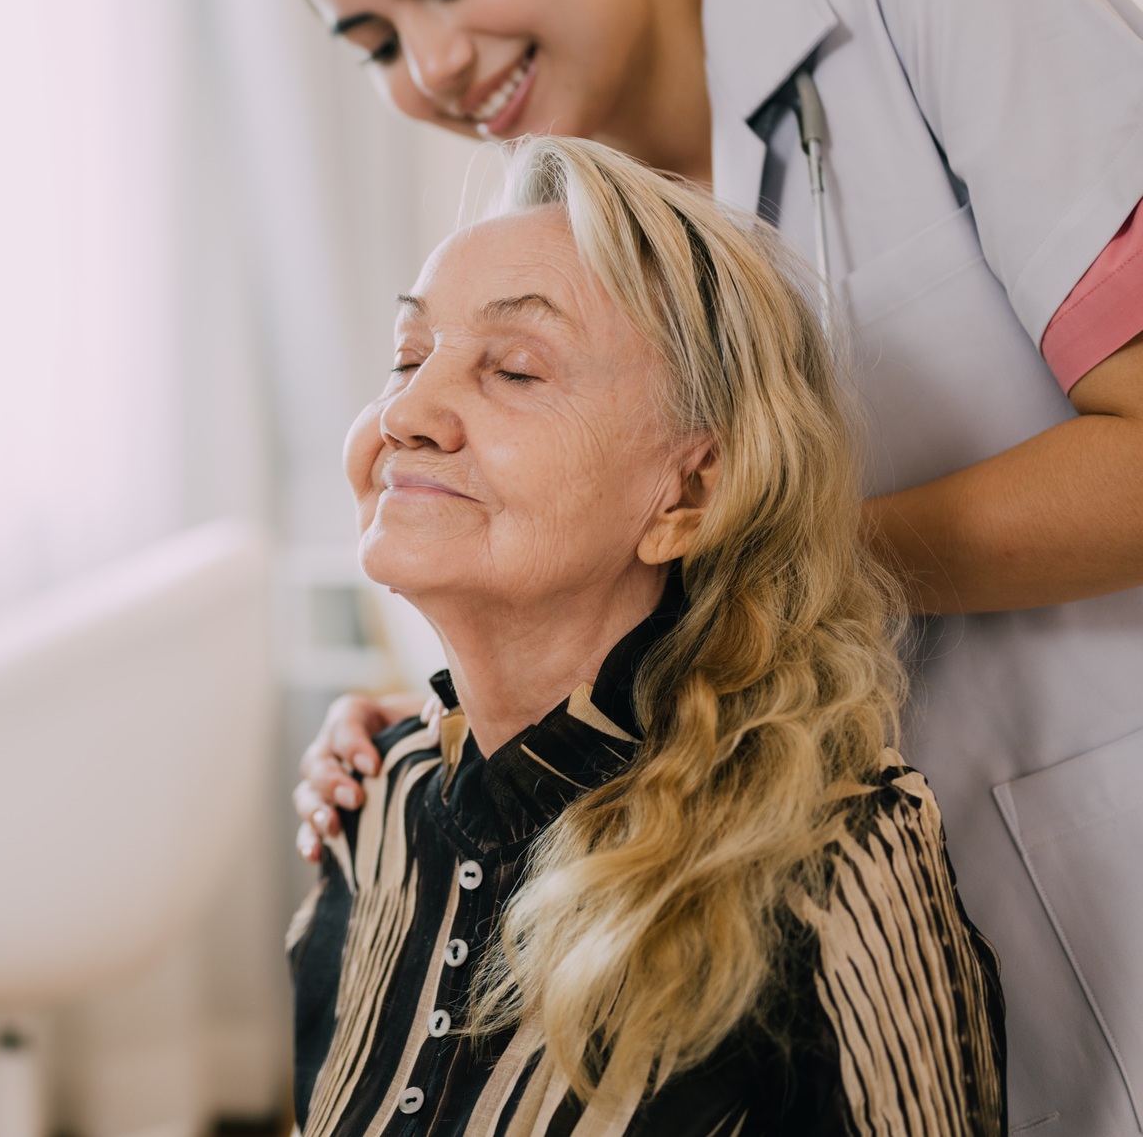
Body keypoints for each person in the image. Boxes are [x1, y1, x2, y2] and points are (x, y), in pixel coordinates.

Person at [268, 0, 1143, 1128]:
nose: (437, 63)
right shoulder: (542, 245)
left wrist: (736, 554)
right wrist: (447, 734)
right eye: (379, 44)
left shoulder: (924, 3)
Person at [292, 133, 1002, 1135]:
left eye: (514, 371)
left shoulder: (832, 861)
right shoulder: (371, 802)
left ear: (688, 490)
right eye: (407, 356)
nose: (405, 410)